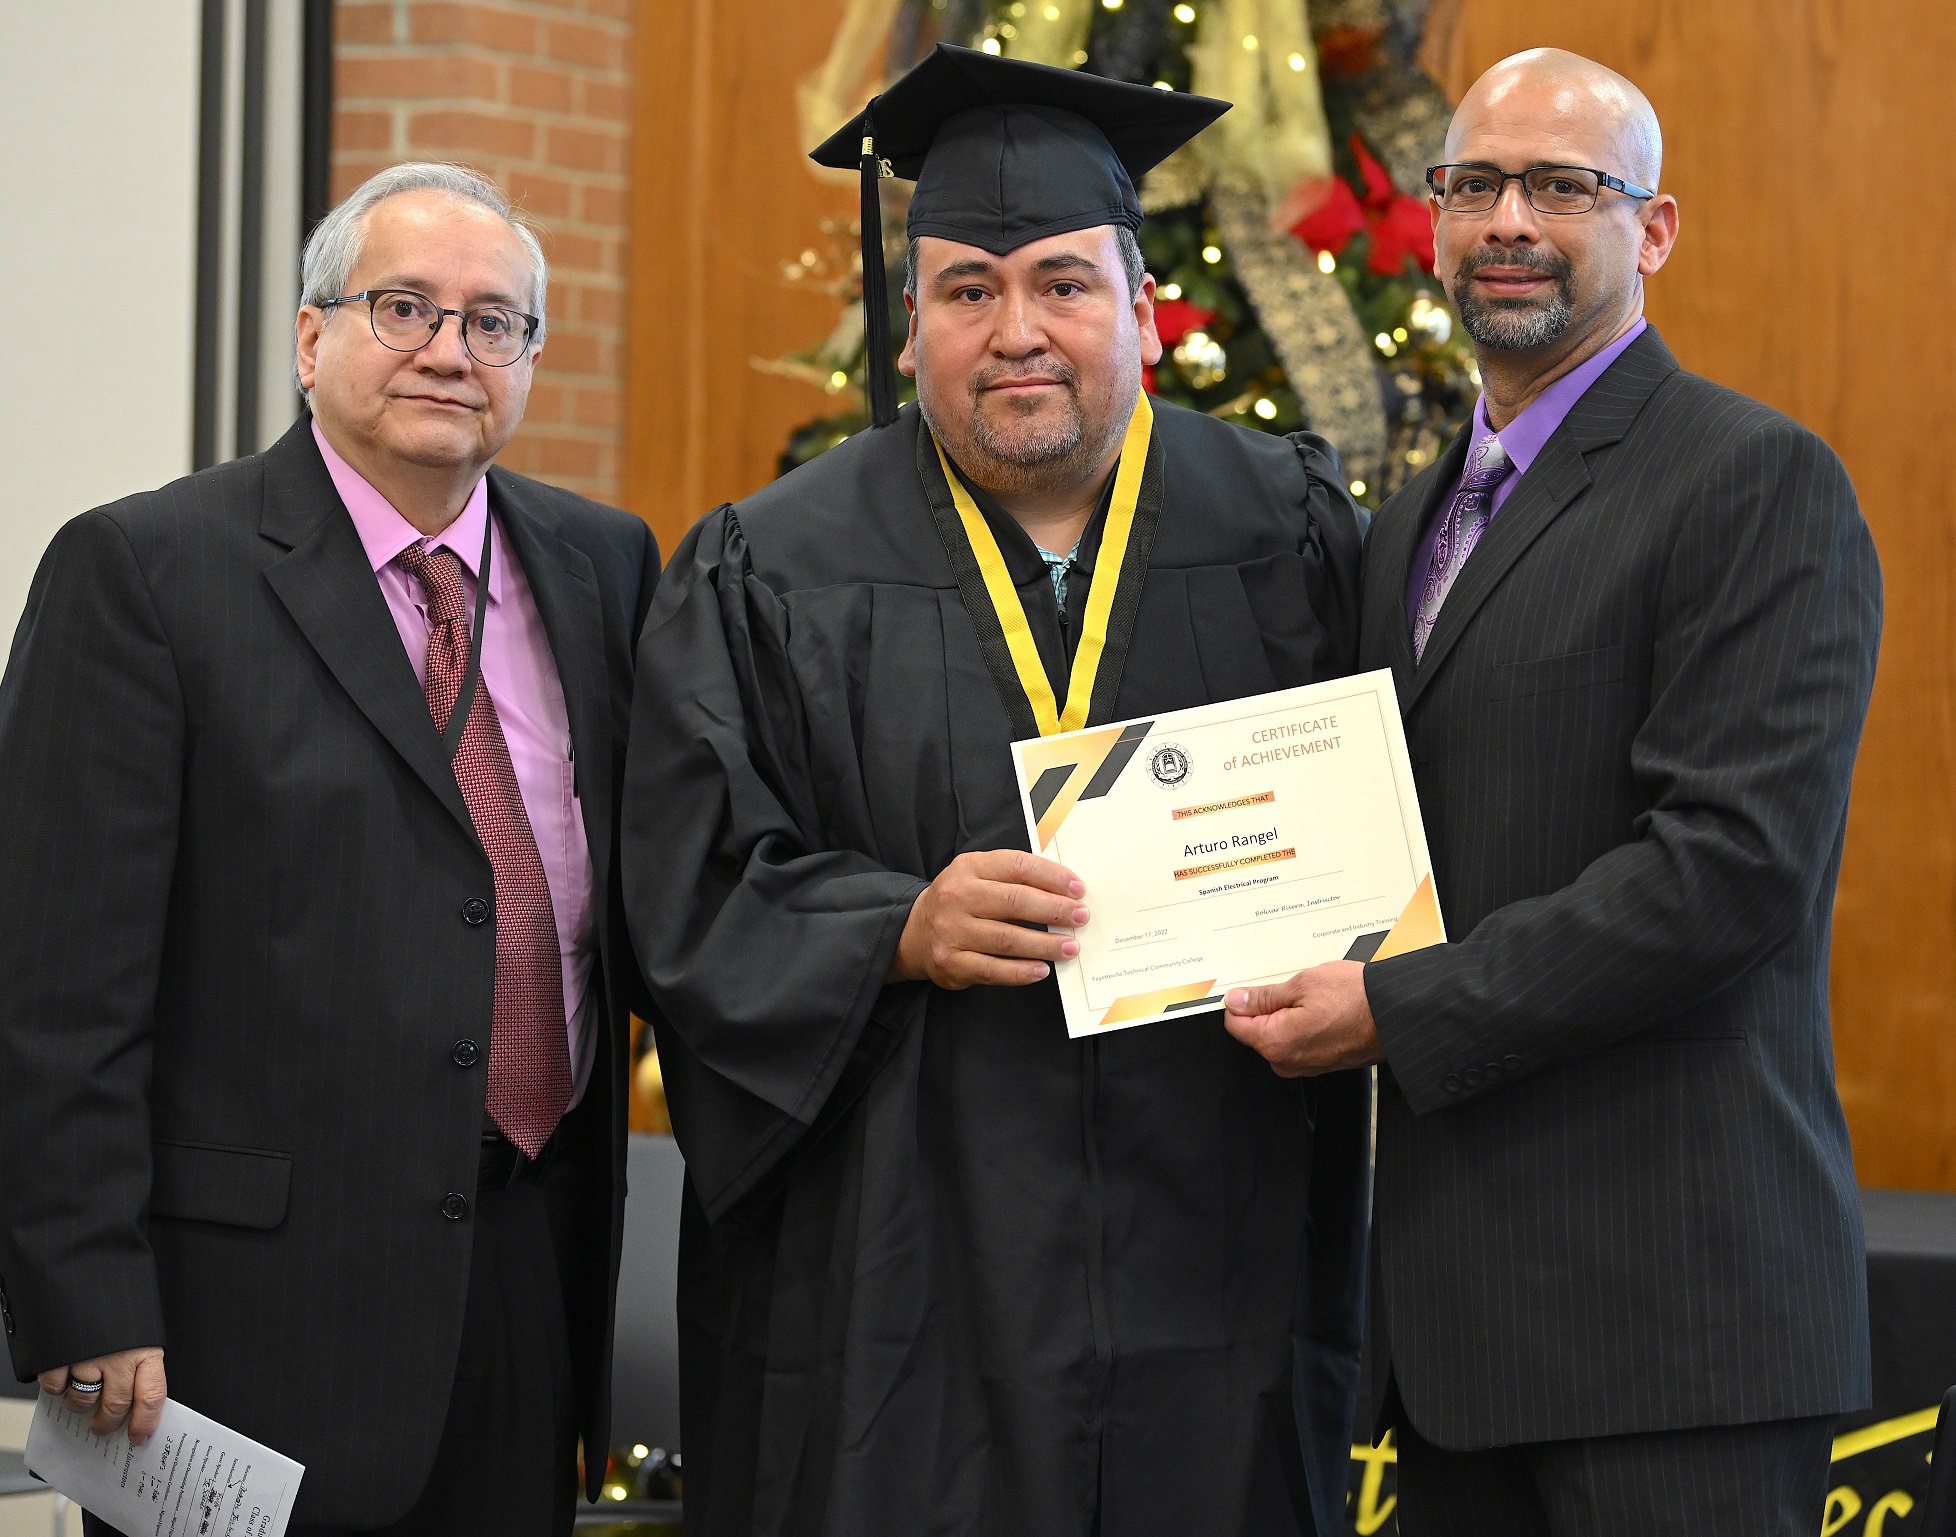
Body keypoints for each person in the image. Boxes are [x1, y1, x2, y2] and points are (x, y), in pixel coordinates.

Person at [622, 44, 1370, 1537]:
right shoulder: (772, 563)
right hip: (902, 1279)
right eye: (968, 288)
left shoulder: (1284, 527)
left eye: (1062, 284)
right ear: (908, 330)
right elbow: (682, 891)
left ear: (1141, 310)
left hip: (1210, 1250)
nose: (1016, 330)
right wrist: (893, 926)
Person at [1222, 48, 1882, 1533]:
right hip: (1460, 1343)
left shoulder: (1754, 480)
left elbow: (1728, 867)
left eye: (1562, 185)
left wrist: (1393, 1007)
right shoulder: (1410, 525)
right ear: (1435, 220)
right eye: (1473, 185)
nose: (1508, 218)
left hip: (1673, 1331)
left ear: (1651, 229)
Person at [0, 163, 659, 1535]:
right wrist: (87, 1299)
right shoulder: (146, 574)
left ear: (529, 358)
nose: (448, 350)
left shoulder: (605, 567)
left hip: (529, 1275)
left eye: (495, 321)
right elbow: (55, 982)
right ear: (311, 339)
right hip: (238, 1323)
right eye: (403, 306)